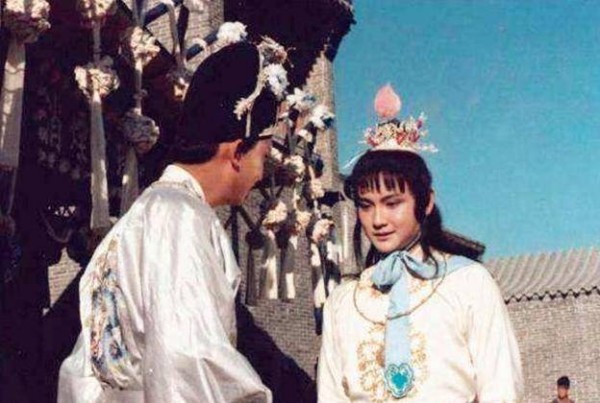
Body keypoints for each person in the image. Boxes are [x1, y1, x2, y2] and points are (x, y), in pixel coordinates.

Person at [58, 41, 285, 402]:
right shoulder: (179, 217)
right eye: (263, 154)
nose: (262, 172)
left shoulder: (154, 211)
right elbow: (188, 362)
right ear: (237, 151)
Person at [317, 85, 523, 402]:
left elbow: (502, 389)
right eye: (366, 205)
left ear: (426, 201)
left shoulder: (468, 283)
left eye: (392, 203)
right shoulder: (343, 303)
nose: (378, 219)